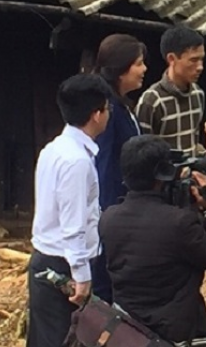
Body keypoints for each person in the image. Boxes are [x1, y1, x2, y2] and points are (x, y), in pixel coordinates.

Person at [99, 134, 206, 346]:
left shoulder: (108, 218)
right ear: (163, 174)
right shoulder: (179, 223)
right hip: (176, 332)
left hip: (129, 331)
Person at [27, 74, 111, 347]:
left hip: (47, 259)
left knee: (46, 338)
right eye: (106, 108)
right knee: (62, 339)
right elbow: (73, 224)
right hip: (63, 265)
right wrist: (82, 276)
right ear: (96, 114)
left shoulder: (54, 148)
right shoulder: (77, 161)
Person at [91, 33, 148, 303]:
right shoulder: (107, 109)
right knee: (106, 281)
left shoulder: (122, 105)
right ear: (121, 68)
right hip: (112, 208)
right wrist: (106, 213)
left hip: (121, 207)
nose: (144, 69)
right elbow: (101, 164)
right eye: (138, 63)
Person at [136, 26, 206, 156]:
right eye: (193, 60)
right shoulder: (152, 101)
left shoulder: (198, 94)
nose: (200, 67)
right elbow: (142, 154)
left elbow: (194, 141)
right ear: (172, 59)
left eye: (202, 59)